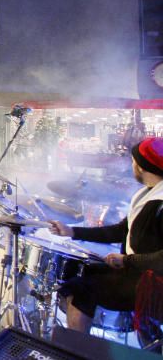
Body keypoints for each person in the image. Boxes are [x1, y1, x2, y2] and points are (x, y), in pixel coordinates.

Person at [50, 136, 163, 333]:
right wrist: (72, 231)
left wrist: (127, 261)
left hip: (153, 284)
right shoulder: (148, 194)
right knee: (84, 270)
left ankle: (77, 350)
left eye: (133, 161)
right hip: (139, 272)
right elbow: (120, 231)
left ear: (143, 167)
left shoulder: (160, 203)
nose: (132, 164)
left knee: (81, 288)